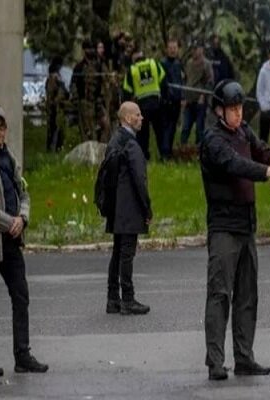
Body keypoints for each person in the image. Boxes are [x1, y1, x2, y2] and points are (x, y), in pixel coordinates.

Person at [200, 80, 270, 380]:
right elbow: (236, 164)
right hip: (224, 227)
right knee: (219, 294)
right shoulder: (213, 140)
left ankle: (244, 357)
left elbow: (261, 150)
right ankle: (215, 361)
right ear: (219, 111)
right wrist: (269, 172)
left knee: (247, 296)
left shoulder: (243, 131)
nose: (239, 114)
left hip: (246, 225)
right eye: (233, 109)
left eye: (241, 108)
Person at [0, 106, 49, 376]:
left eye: (1, 127)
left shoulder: (10, 158)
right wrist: (10, 223)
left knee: (21, 296)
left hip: (12, 243)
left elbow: (24, 193)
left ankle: (23, 355)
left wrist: (23, 217)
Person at [105, 102, 152, 316]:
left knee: (117, 253)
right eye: (138, 115)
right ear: (127, 119)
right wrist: (147, 209)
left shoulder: (114, 140)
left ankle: (112, 298)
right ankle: (128, 299)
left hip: (115, 206)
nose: (141, 118)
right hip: (130, 207)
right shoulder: (131, 145)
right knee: (126, 254)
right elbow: (140, 180)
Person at [122, 48, 165, 160]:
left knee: (143, 134)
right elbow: (164, 79)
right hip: (157, 104)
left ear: (133, 57)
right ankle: (164, 155)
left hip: (142, 106)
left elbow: (126, 90)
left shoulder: (132, 69)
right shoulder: (154, 63)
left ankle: (145, 157)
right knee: (160, 132)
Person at [71, 39, 106, 142]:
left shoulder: (99, 66)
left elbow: (104, 82)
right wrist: (76, 99)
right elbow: (74, 84)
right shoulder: (79, 67)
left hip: (98, 102)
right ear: (84, 50)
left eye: (92, 48)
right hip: (85, 102)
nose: (91, 51)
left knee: (104, 125)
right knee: (88, 131)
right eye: (88, 49)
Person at [180, 40, 213, 145]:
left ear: (201, 50)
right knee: (185, 127)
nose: (194, 52)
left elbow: (210, 82)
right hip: (189, 101)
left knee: (199, 128)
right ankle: (182, 148)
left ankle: (199, 150)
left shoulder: (207, 64)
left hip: (200, 102)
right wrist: (183, 97)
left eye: (196, 49)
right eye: (193, 49)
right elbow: (185, 81)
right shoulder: (189, 63)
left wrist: (203, 95)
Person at [160, 38, 186, 160]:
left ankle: (169, 152)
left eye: (175, 48)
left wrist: (182, 97)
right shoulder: (162, 63)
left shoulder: (178, 64)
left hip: (176, 101)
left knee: (173, 128)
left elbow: (181, 82)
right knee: (165, 128)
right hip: (166, 101)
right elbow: (163, 83)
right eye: (170, 48)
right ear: (166, 49)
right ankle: (164, 154)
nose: (173, 50)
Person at [45, 56, 69, 152]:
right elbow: (51, 95)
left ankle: (57, 148)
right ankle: (52, 148)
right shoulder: (53, 79)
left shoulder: (57, 78)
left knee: (59, 129)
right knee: (53, 128)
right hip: (54, 108)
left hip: (59, 107)